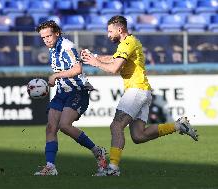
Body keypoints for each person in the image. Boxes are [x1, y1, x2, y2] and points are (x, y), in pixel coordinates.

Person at [81, 15, 199, 176]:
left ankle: (113, 168)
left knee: (116, 126)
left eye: (110, 31)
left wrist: (96, 63)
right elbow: (113, 58)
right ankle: (178, 126)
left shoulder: (129, 42)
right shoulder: (127, 43)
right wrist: (94, 57)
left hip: (136, 90)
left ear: (120, 29)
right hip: (142, 91)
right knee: (138, 135)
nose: (108, 35)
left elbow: (114, 68)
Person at [34, 20, 107, 176]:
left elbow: (78, 68)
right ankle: (50, 166)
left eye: (48, 36)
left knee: (65, 125)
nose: (46, 39)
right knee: (51, 127)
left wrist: (56, 75)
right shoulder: (53, 48)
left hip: (77, 91)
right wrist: (55, 81)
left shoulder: (66, 46)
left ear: (57, 33)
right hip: (62, 92)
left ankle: (97, 151)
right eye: (43, 37)